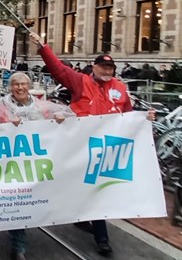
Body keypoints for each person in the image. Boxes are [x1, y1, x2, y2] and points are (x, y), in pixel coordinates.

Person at [29, 32, 153, 255]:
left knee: (98, 190)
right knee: (79, 184)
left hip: (106, 149)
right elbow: (58, 69)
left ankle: (101, 237)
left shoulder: (120, 88)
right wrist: (42, 46)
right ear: (93, 67)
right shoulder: (81, 81)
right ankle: (80, 216)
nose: (107, 71)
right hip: (79, 146)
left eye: (110, 68)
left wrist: (144, 119)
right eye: (103, 67)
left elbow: (128, 115)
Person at [0, 72, 73, 260]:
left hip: (34, 165)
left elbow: (69, 116)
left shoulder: (41, 106)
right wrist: (5, 125)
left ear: (29, 86)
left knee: (30, 201)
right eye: (16, 84)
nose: (20, 87)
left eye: (23, 84)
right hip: (10, 164)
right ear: (10, 87)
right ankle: (18, 245)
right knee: (17, 202)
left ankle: (19, 233)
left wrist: (60, 119)